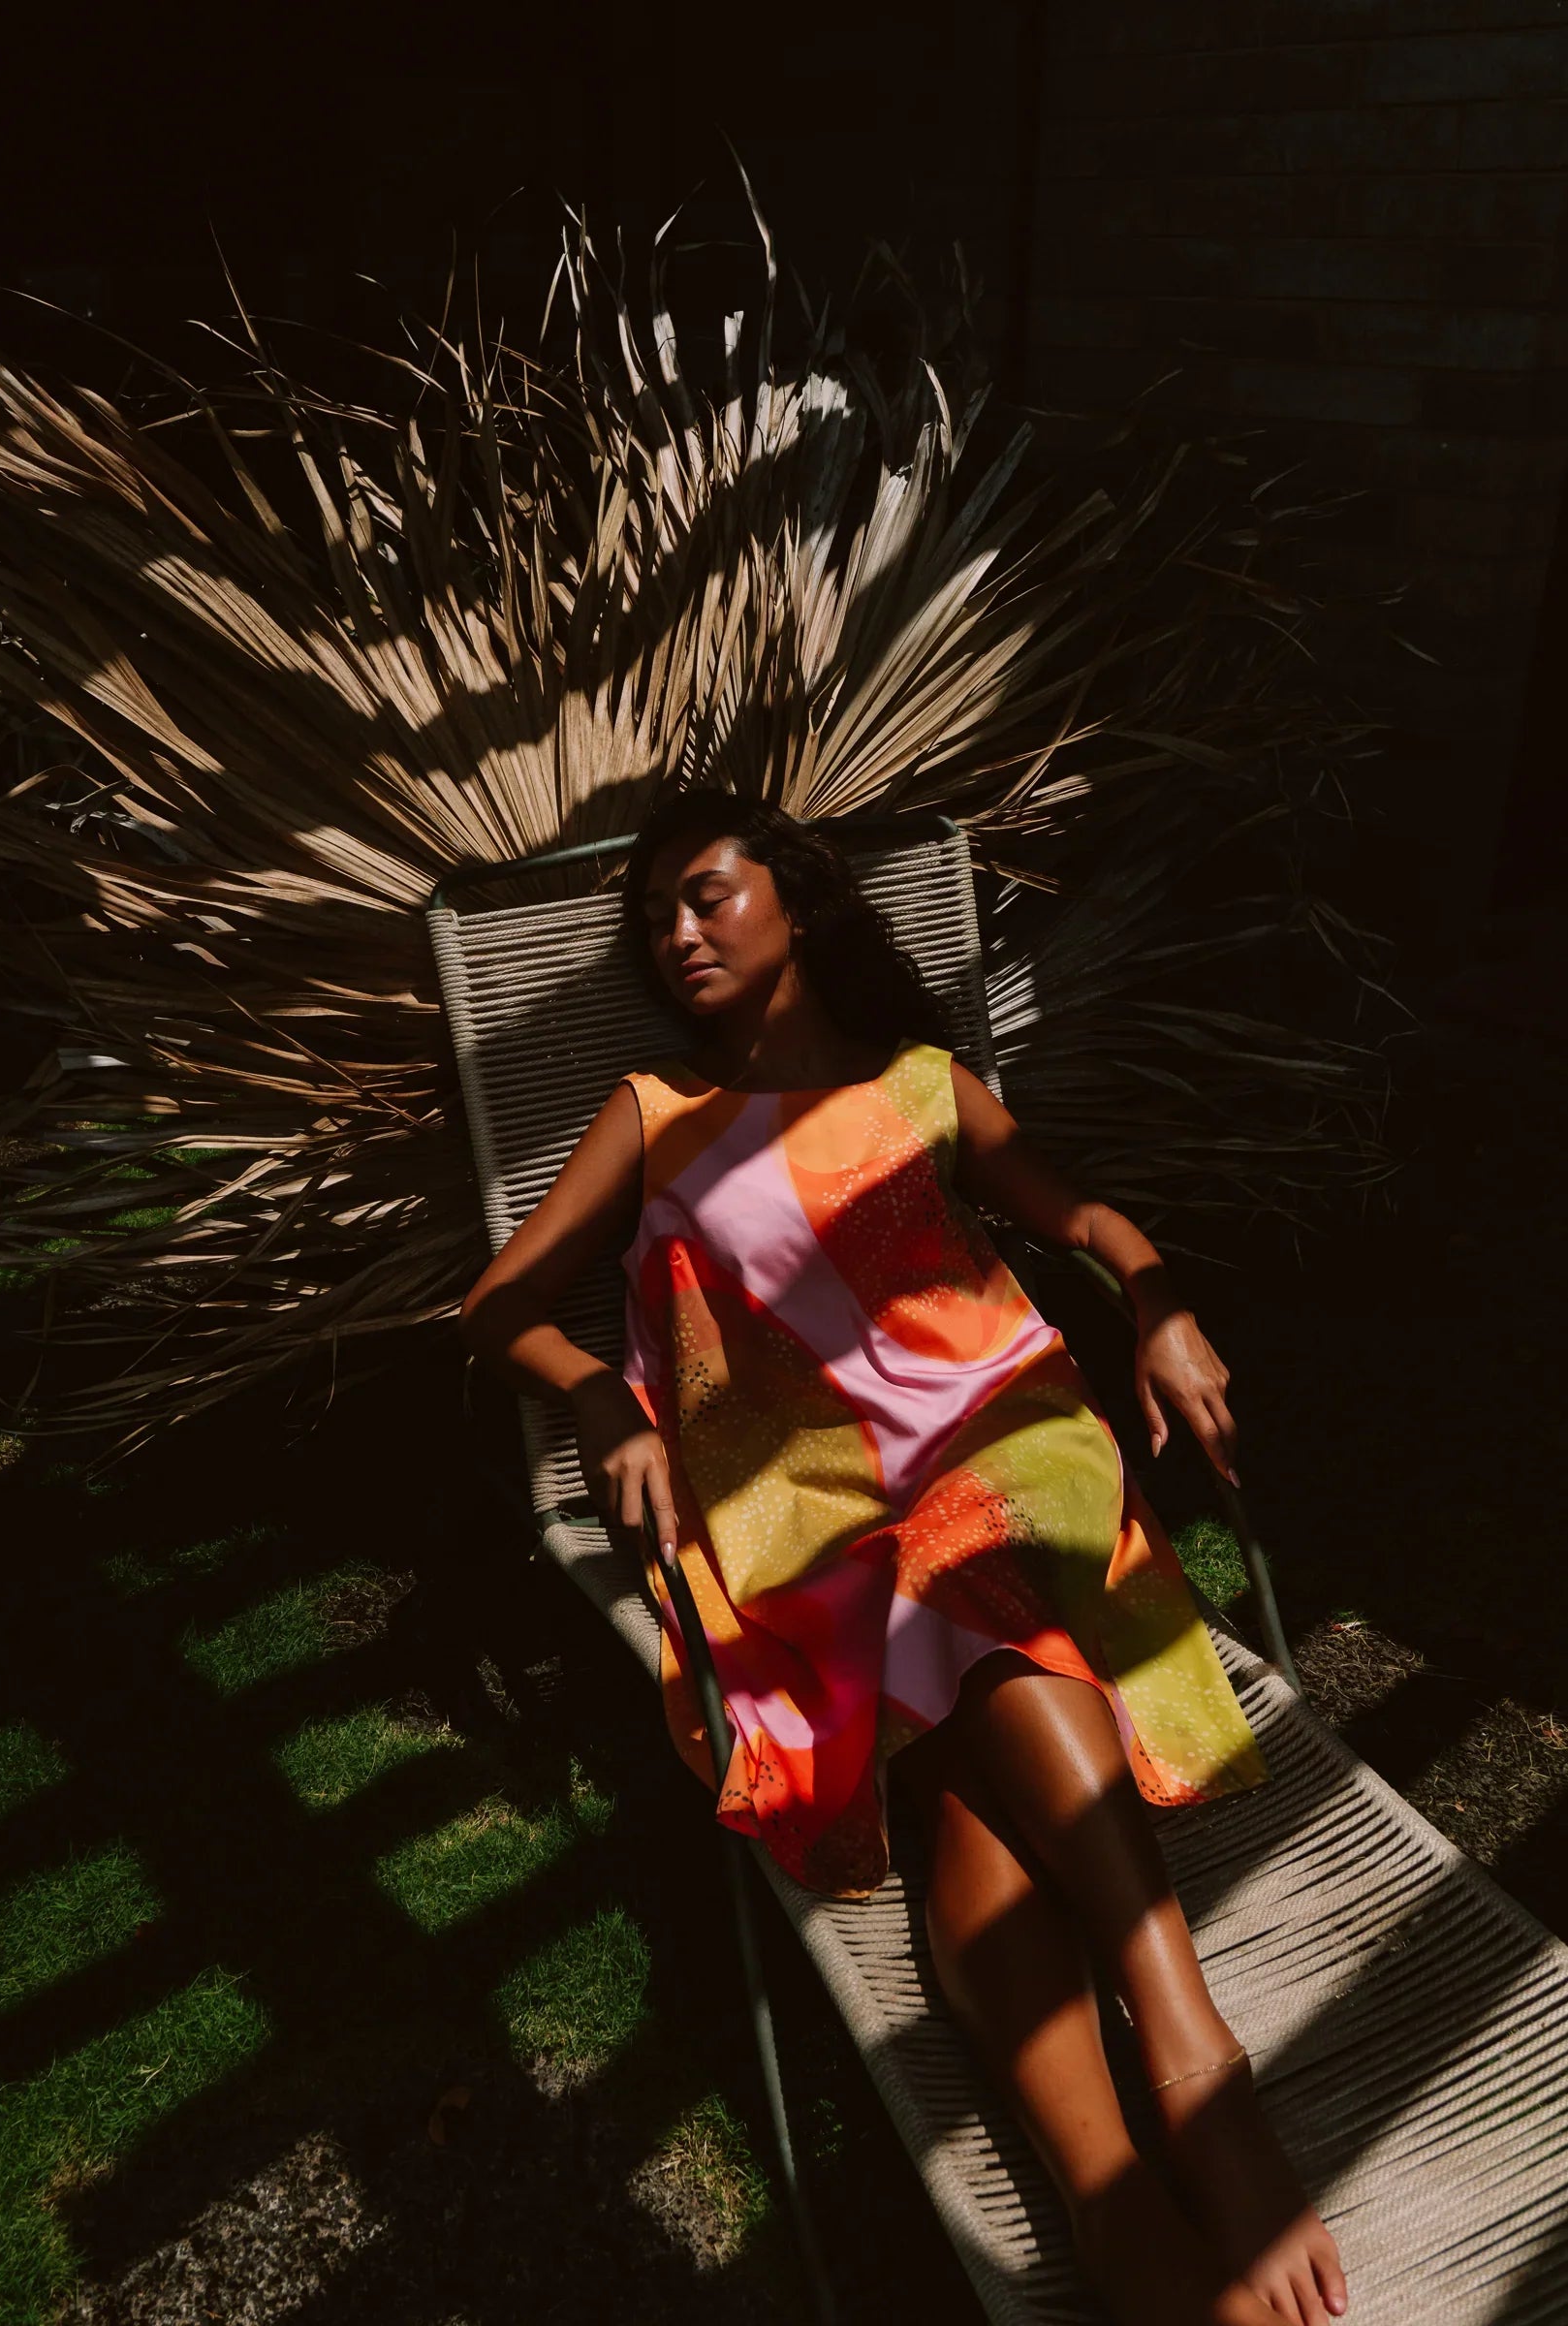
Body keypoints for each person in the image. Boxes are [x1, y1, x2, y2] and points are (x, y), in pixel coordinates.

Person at [460, 793, 1348, 2326]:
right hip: (801, 1500)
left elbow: (1075, 1213)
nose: (675, 935)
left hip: (1001, 1437)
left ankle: (1179, 2074)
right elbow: (497, 1305)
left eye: (706, 897)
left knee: (970, 1587)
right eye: (651, 919)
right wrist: (605, 1397)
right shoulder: (653, 1114)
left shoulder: (923, 1083)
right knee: (946, 1768)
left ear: (797, 903)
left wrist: (1154, 1300)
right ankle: (1121, 2183)